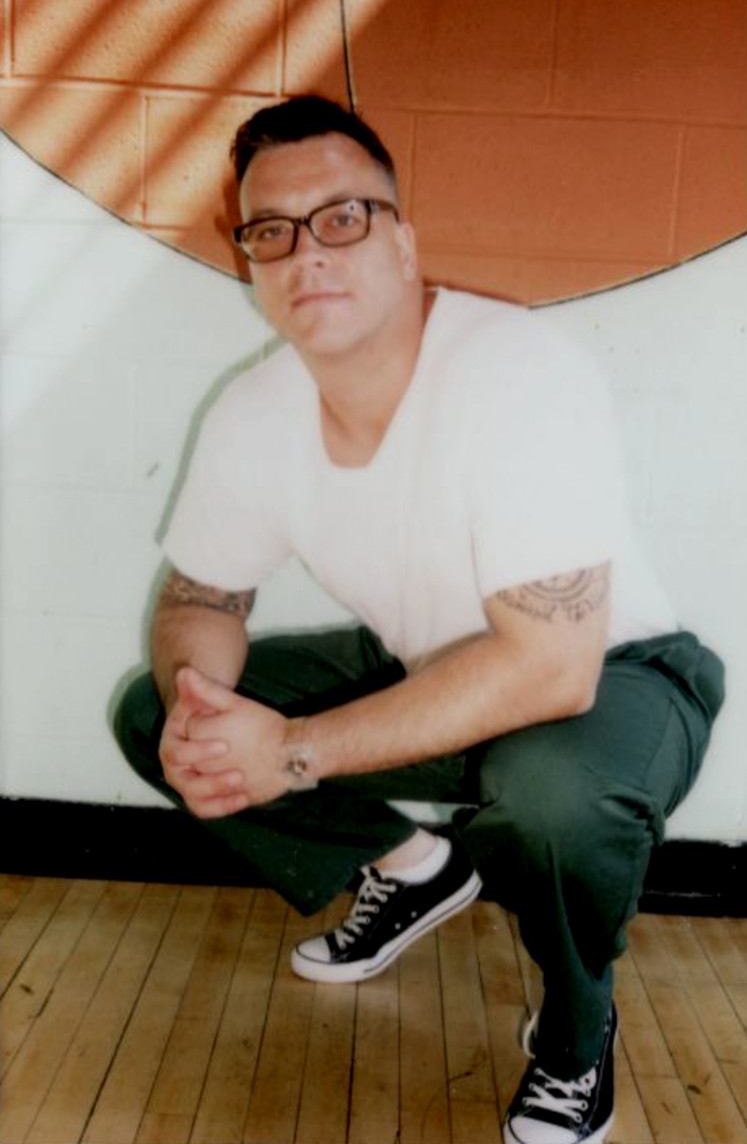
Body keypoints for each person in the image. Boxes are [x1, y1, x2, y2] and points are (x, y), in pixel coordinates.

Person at [114, 95, 724, 1144]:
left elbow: (552, 670)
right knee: (152, 715)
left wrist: (291, 751)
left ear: (403, 243)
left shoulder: (517, 372)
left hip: (615, 676)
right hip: (430, 667)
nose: (308, 253)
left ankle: (575, 1037)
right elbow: (200, 598)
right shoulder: (255, 412)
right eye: (272, 230)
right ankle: (413, 871)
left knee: (553, 804)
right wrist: (202, 705)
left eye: (342, 218)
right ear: (250, 261)